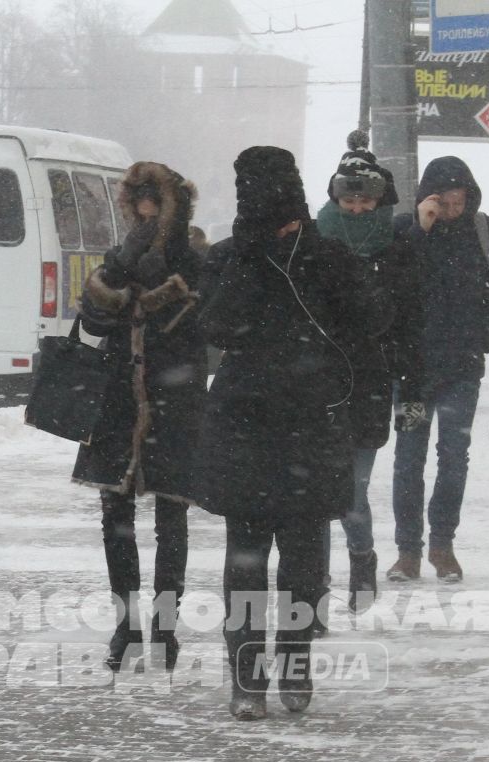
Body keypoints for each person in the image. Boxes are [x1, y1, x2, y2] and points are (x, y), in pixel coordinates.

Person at [196, 145, 390, 720]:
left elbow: (370, 324)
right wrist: (249, 260)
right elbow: (215, 325)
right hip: (248, 425)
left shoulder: (326, 256)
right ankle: (248, 677)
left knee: (303, 559)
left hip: (311, 419)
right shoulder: (230, 257)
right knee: (248, 558)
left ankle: (296, 664)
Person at [74, 161, 205, 673]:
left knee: (171, 517)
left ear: (173, 206)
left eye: (155, 204)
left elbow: (197, 323)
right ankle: (126, 624)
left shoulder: (196, 257)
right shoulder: (120, 254)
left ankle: (165, 628)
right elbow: (92, 319)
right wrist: (121, 273)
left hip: (175, 400)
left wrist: (165, 284)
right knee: (116, 517)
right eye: (138, 205)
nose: (145, 213)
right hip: (120, 401)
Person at [387, 156, 489, 584]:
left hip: (461, 370)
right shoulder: (406, 230)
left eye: (459, 198)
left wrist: (483, 337)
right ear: (428, 198)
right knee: (408, 460)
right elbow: (393, 279)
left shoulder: (487, 231)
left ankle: (443, 545)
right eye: (443, 199)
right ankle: (408, 551)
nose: (452, 207)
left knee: (453, 457)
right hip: (413, 373)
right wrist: (420, 231)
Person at [315, 132, 405, 613]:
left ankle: (361, 560)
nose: (355, 208)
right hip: (319, 381)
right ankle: (317, 584)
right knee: (314, 496)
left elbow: (405, 317)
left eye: (364, 199)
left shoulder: (395, 244)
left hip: (370, 382)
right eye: (348, 198)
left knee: (351, 492)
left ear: (378, 199)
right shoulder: (313, 241)